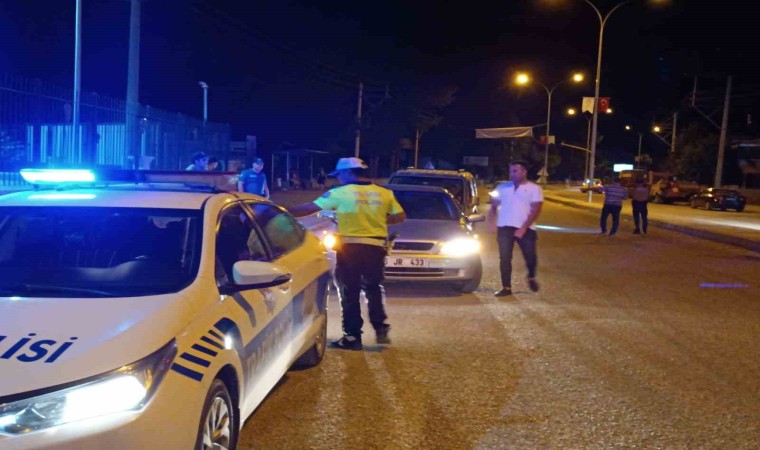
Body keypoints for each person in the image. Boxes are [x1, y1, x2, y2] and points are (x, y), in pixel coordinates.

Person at [288, 157, 406, 350]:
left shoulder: (340, 193)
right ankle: (380, 328)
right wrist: (375, 220)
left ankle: (352, 337)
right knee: (373, 288)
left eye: (340, 174)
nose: (339, 178)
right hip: (375, 247)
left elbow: (308, 209)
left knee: (349, 291)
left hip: (350, 248)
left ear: (349, 173)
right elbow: (400, 216)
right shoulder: (384, 193)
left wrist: (278, 210)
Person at [488, 161, 543, 297]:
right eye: (510, 171)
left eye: (515, 171)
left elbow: (536, 210)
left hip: (526, 229)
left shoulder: (534, 189)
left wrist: (523, 228)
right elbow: (493, 206)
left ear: (524, 172)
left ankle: (531, 276)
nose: (511, 174)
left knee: (530, 257)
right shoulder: (502, 187)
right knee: (505, 258)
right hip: (504, 227)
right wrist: (492, 222)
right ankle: (506, 287)